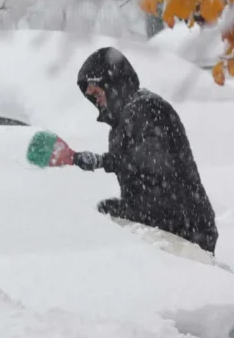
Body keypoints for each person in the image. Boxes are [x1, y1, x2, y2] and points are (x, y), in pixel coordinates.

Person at [71, 46, 218, 254]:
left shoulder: (147, 108)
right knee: (107, 214)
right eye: (88, 92)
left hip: (184, 227)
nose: (90, 94)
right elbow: (141, 183)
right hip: (161, 221)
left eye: (95, 88)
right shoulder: (119, 124)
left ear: (112, 83)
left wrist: (104, 161)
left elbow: (156, 163)